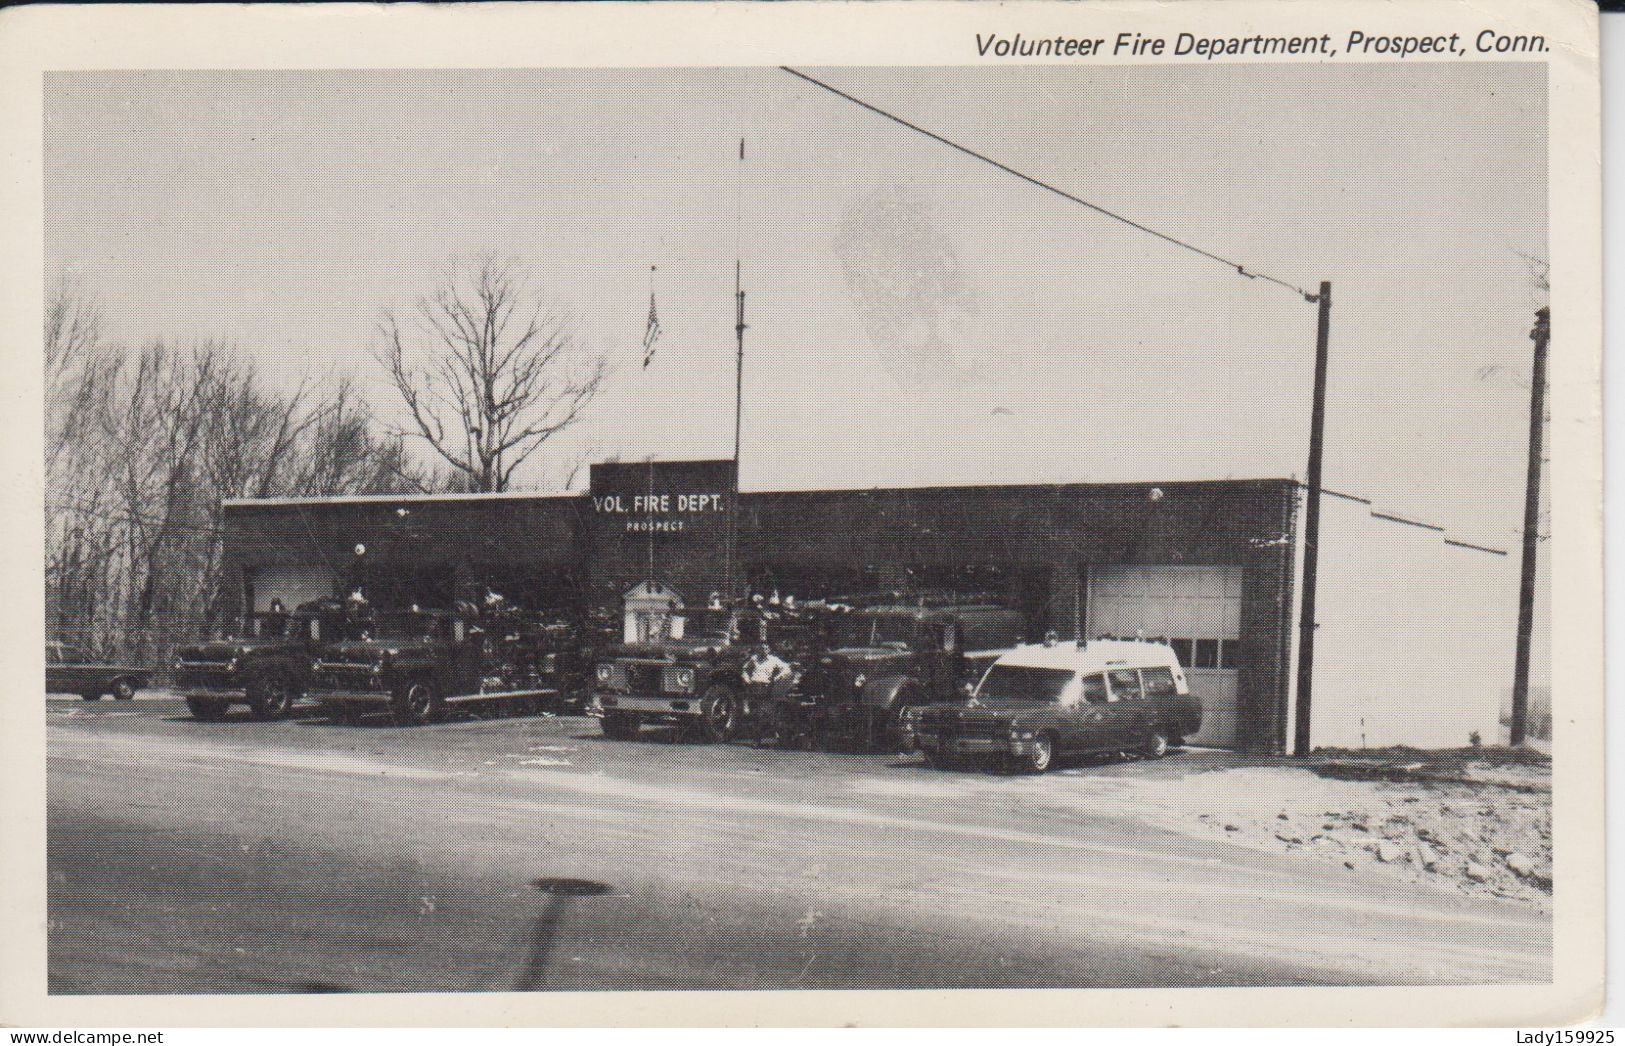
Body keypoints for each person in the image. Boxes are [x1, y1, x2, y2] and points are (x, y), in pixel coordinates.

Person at [740, 640, 792, 744]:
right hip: (754, 687)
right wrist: (747, 679)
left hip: (765, 687)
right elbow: (745, 669)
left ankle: (763, 738)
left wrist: (777, 677)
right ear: (758, 649)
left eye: (765, 648)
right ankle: (756, 739)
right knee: (754, 713)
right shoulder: (754, 659)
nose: (763, 650)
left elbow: (786, 668)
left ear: (769, 650)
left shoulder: (773, 660)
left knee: (764, 713)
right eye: (761, 648)